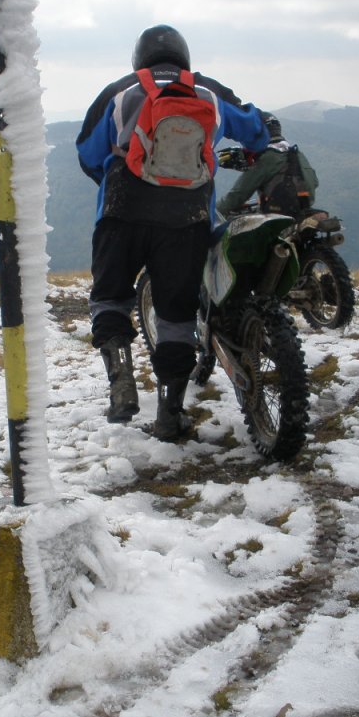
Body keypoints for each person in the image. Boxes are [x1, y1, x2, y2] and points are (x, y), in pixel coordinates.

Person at [76, 24, 269, 441]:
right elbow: (256, 129)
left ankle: (121, 383)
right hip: (187, 217)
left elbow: (87, 152)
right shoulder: (209, 92)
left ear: (139, 58)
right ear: (183, 56)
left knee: (109, 298)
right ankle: (170, 413)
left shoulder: (119, 92)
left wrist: (114, 177)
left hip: (121, 211)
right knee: (177, 317)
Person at [216, 113, 315, 218]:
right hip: (303, 211)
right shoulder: (298, 154)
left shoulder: (267, 158)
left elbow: (237, 195)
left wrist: (212, 212)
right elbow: (314, 181)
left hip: (279, 216)